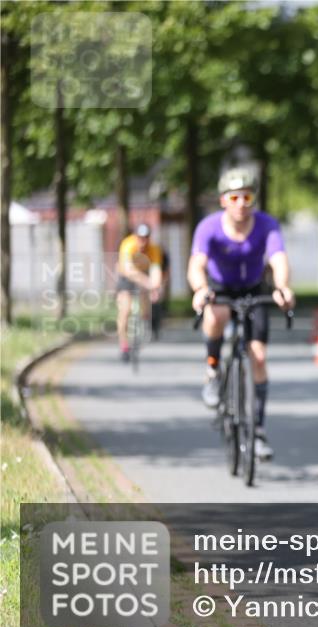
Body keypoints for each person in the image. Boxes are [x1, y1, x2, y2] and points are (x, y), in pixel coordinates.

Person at [187, 167, 295, 461]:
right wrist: (200, 289)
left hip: (253, 289)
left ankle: (257, 431)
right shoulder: (208, 227)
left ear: (253, 199)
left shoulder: (267, 225)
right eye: (234, 197)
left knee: (258, 357)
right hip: (219, 288)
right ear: (223, 200)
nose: (241, 204)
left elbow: (278, 259)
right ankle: (212, 370)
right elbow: (197, 264)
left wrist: (282, 287)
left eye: (246, 197)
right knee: (215, 315)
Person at [116, 223, 163, 362]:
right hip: (127, 276)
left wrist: (155, 286)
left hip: (143, 274)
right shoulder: (128, 244)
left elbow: (156, 270)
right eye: (140, 238)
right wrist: (149, 283)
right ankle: (124, 345)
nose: (143, 241)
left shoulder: (154, 248)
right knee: (125, 311)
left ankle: (145, 319)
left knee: (145, 305)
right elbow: (128, 270)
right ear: (135, 237)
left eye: (146, 238)